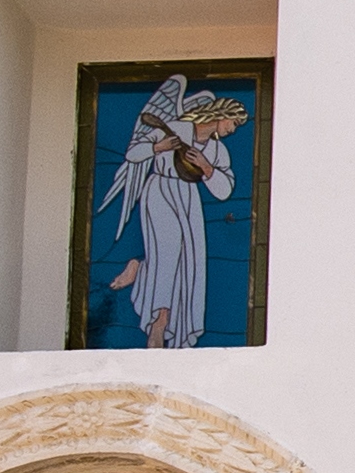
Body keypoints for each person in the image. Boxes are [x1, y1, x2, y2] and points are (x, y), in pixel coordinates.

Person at [98, 75, 248, 348]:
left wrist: (206, 167)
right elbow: (133, 154)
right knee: (167, 252)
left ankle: (140, 269)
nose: (233, 130)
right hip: (160, 191)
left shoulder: (216, 149)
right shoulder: (175, 128)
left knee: (189, 262)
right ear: (223, 114)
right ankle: (160, 322)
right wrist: (159, 147)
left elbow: (225, 189)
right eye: (233, 123)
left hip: (189, 199)